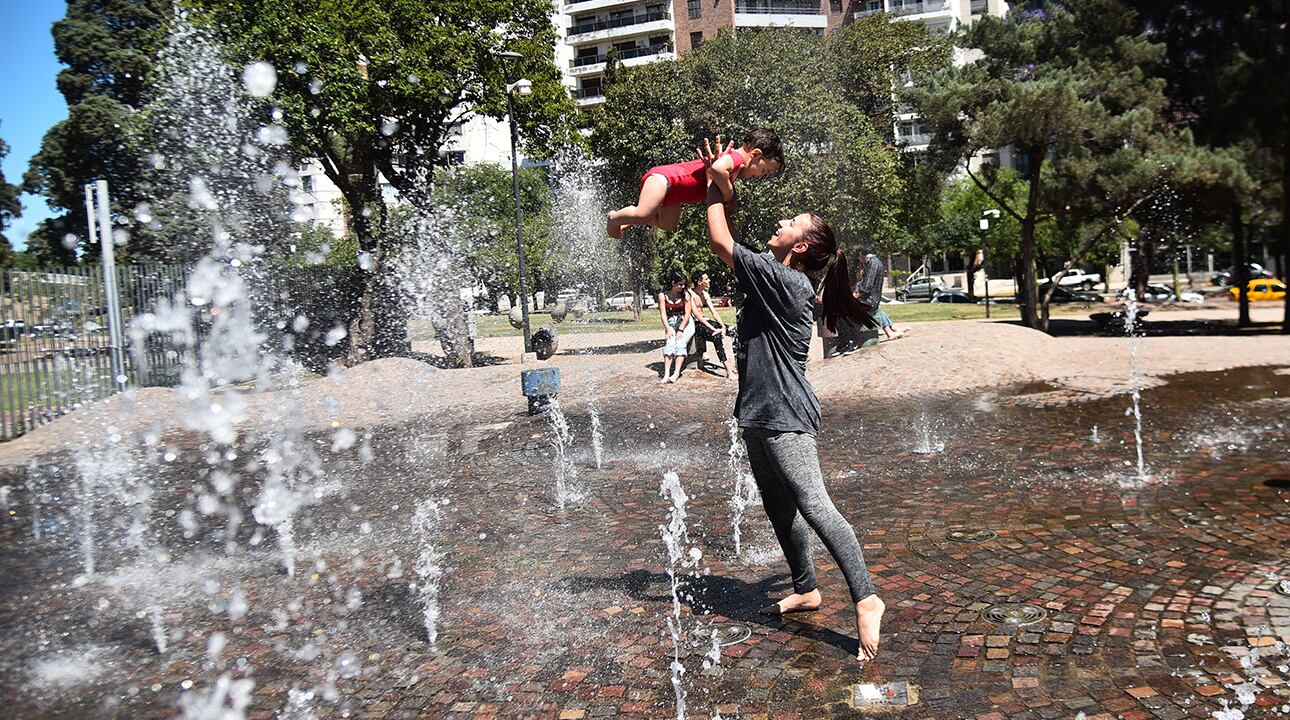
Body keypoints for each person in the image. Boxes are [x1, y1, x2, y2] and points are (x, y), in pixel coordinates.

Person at [697, 137, 885, 664]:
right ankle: (806, 586)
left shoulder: (785, 280)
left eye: (792, 222)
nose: (781, 221)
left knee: (814, 503)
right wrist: (723, 183)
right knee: (780, 507)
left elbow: (719, 237)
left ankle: (867, 597)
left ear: (799, 247)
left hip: (784, 412)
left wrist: (716, 182)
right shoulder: (780, 277)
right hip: (759, 410)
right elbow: (727, 228)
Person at [606, 129, 784, 239]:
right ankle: (614, 217)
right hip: (665, 179)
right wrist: (729, 193)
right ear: (755, 154)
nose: (761, 176)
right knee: (643, 213)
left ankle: (631, 219)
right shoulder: (736, 159)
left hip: (674, 195)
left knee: (668, 225)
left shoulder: (736, 168)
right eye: (764, 171)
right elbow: (717, 169)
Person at [687, 270, 737, 380]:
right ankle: (728, 370)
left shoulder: (705, 294)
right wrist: (713, 328)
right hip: (695, 324)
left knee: (734, 332)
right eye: (706, 279)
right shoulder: (689, 294)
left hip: (705, 321)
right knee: (716, 335)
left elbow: (714, 312)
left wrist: (723, 326)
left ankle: (738, 365)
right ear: (699, 281)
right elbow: (696, 315)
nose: (709, 280)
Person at [855, 252, 904, 341]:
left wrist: (857, 295)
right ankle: (891, 329)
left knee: (876, 309)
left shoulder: (871, 264)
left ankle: (891, 330)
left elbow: (867, 285)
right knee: (877, 309)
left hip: (868, 299)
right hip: (872, 298)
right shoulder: (874, 263)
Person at [657, 271, 694, 383]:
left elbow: (687, 314)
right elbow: (663, 314)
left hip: (685, 323)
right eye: (680, 284)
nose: (682, 287)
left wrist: (681, 330)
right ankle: (667, 373)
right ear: (673, 283)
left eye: (684, 284)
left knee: (680, 343)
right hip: (671, 322)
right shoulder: (662, 296)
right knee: (670, 343)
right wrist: (667, 328)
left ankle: (676, 373)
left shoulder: (686, 294)